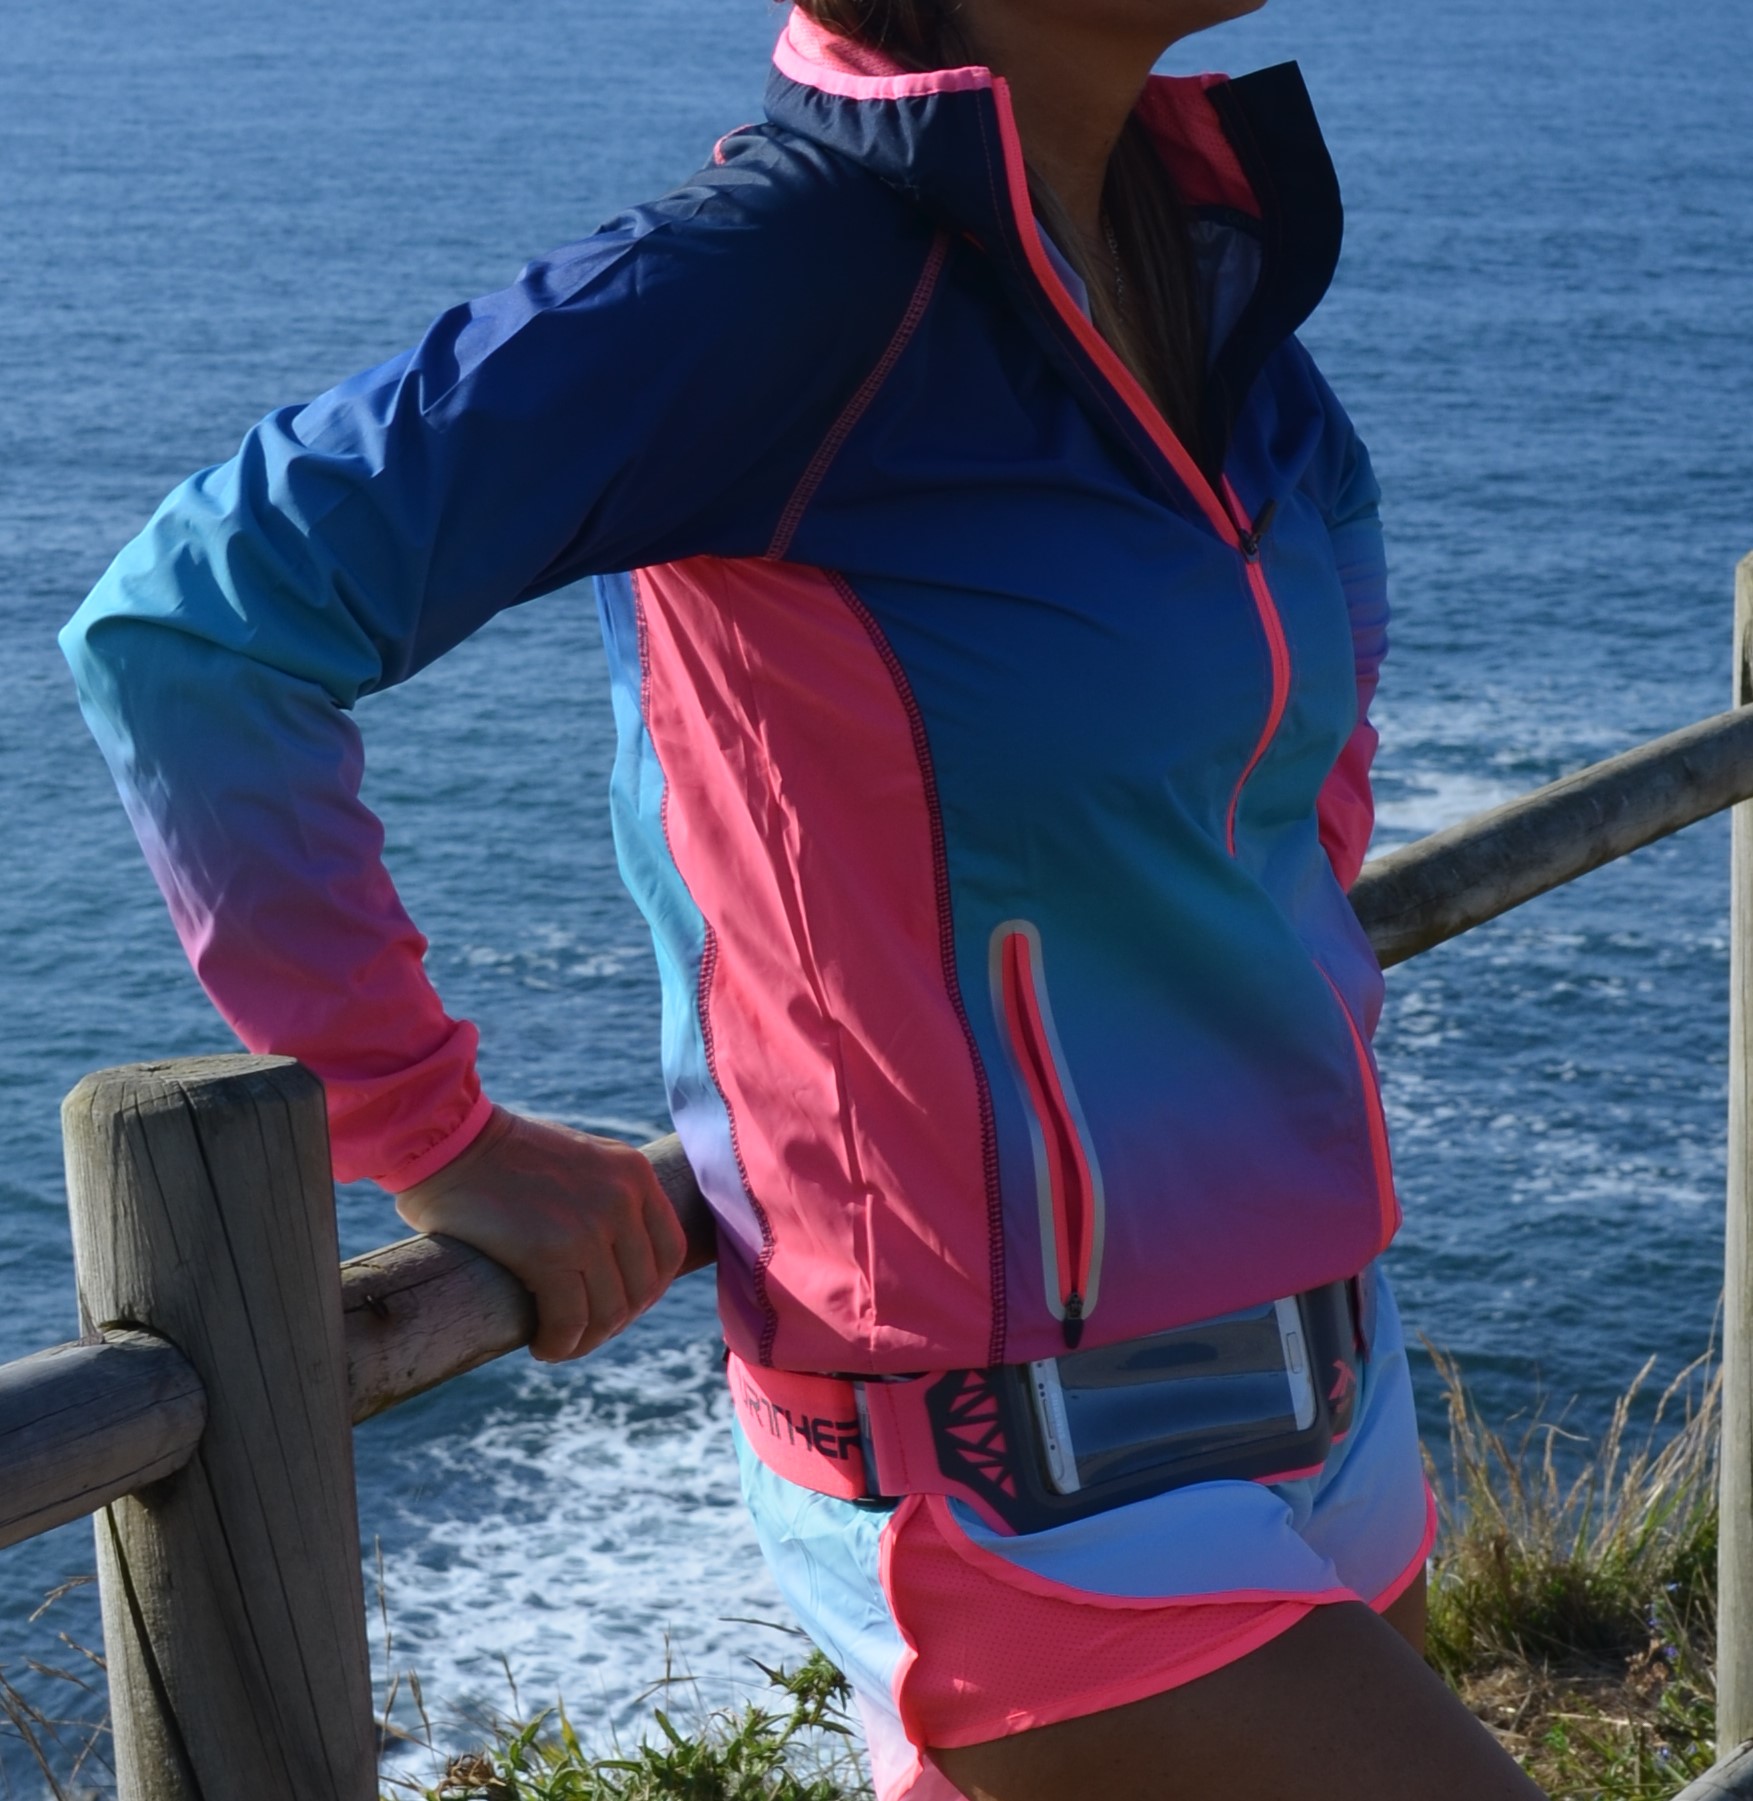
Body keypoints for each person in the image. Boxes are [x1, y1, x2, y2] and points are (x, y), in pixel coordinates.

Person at [59, 0, 1547, 1795]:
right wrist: (427, 1126)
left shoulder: (1210, 265)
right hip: (1014, 1466)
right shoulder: (772, 290)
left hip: (1329, 1376)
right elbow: (191, 629)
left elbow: (1307, 746)